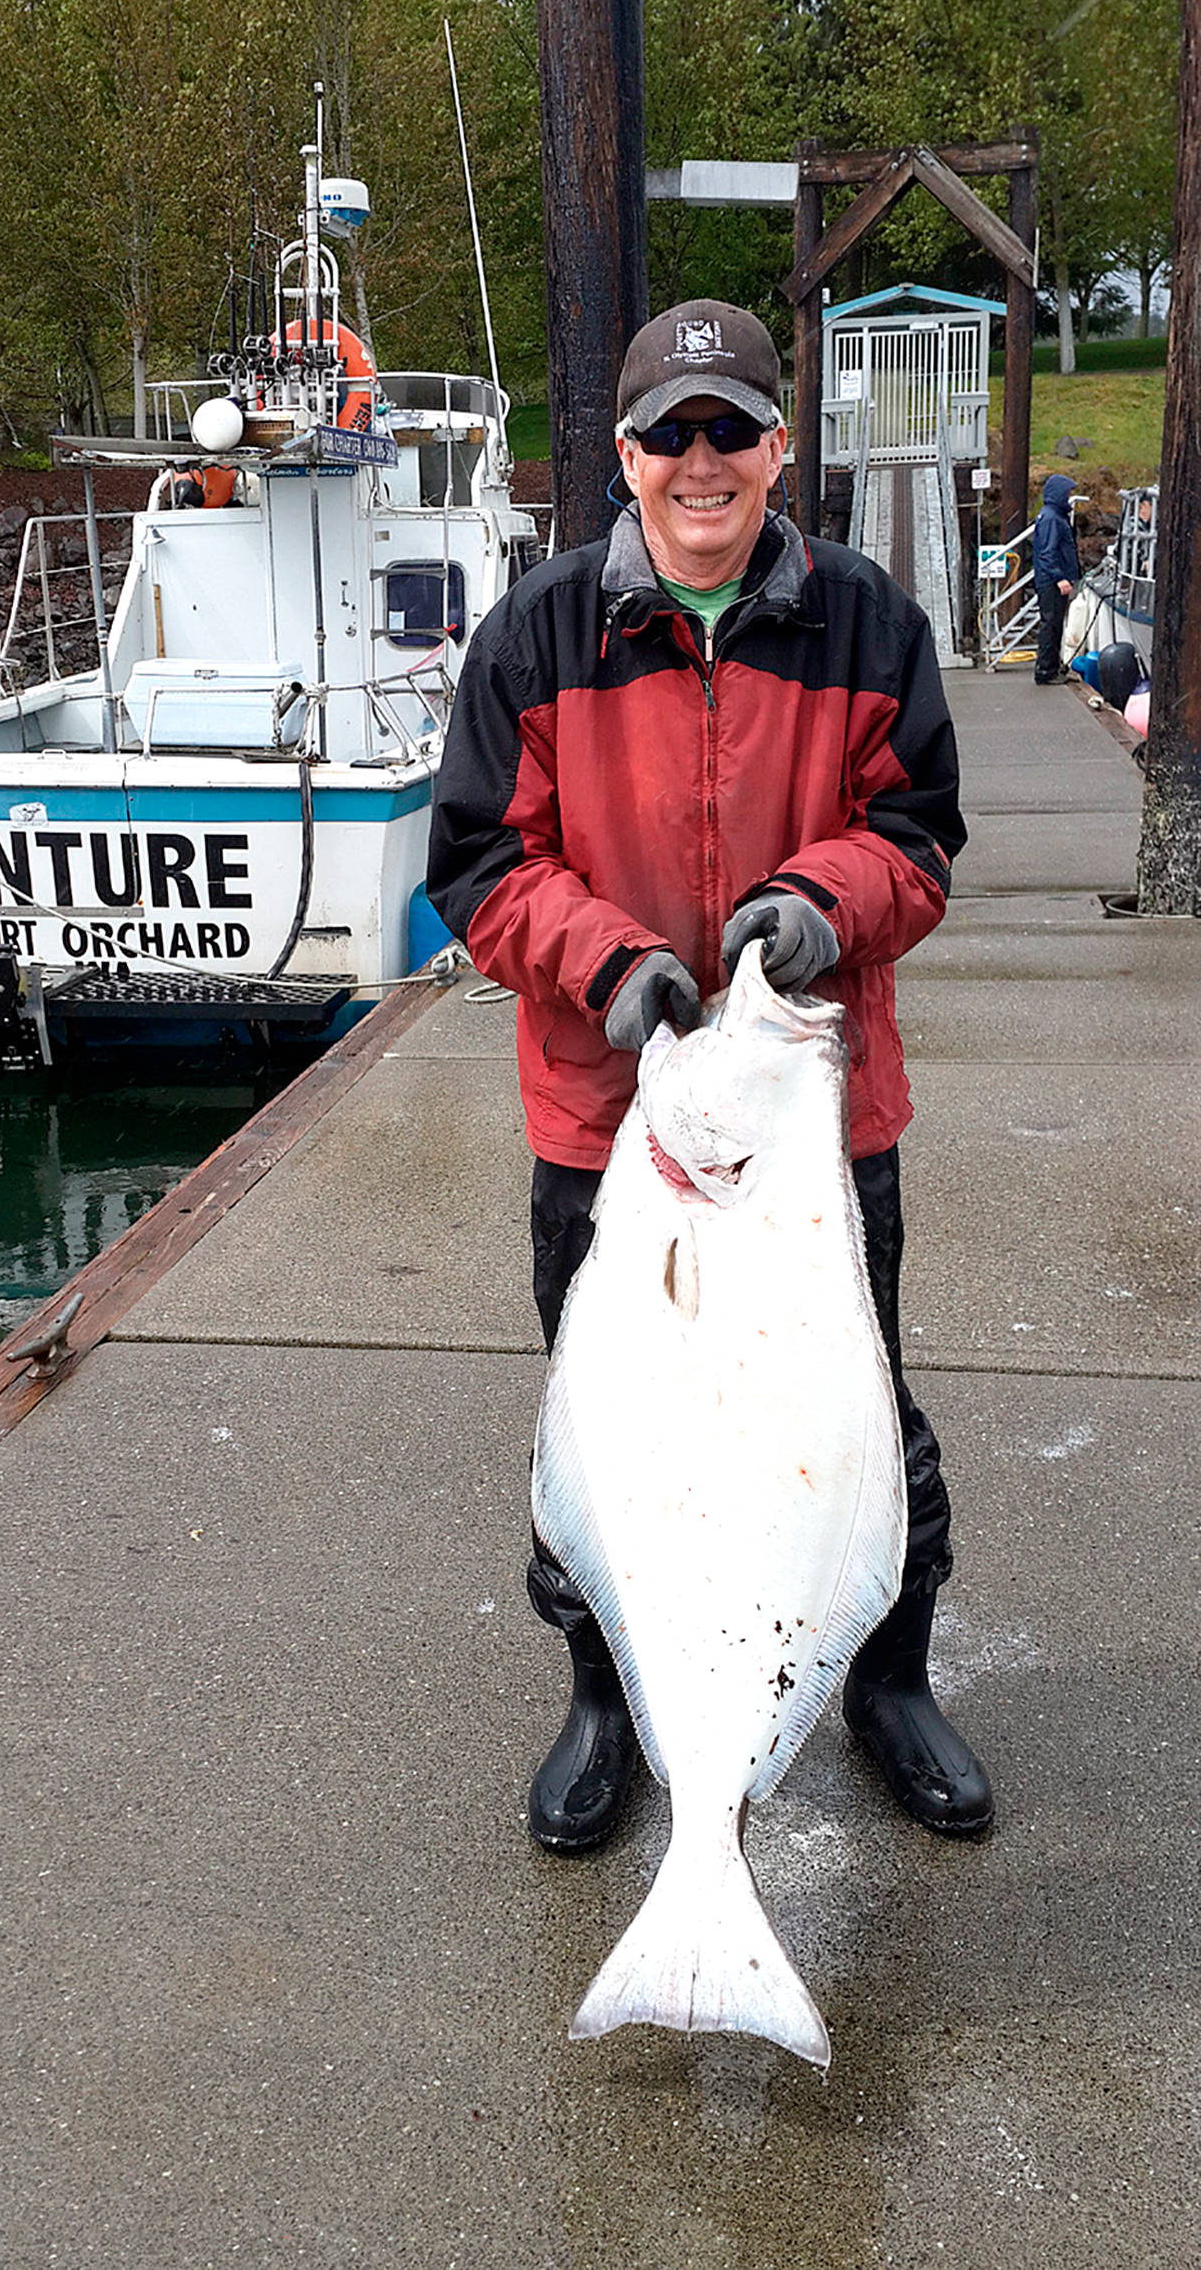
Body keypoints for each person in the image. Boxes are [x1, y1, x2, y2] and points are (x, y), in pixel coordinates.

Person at [426, 297, 993, 1856]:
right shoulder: (533, 636)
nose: (699, 461)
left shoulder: (870, 622)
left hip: (813, 1126)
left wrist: (821, 909)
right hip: (608, 1124)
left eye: (729, 430)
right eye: (668, 433)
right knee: (608, 1438)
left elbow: (921, 839)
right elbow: (476, 864)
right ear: (622, 454)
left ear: (776, 446)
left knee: (864, 1420)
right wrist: (607, 961)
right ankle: (610, 1699)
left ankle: (886, 1681)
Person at [1032, 473, 1081, 684]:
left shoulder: (1052, 516)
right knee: (1050, 625)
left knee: (1054, 625)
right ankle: (1045, 671)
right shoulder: (1052, 518)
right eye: (1067, 493)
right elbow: (1048, 553)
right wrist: (1060, 577)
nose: (1069, 497)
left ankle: (1052, 666)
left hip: (1050, 579)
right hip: (1051, 582)